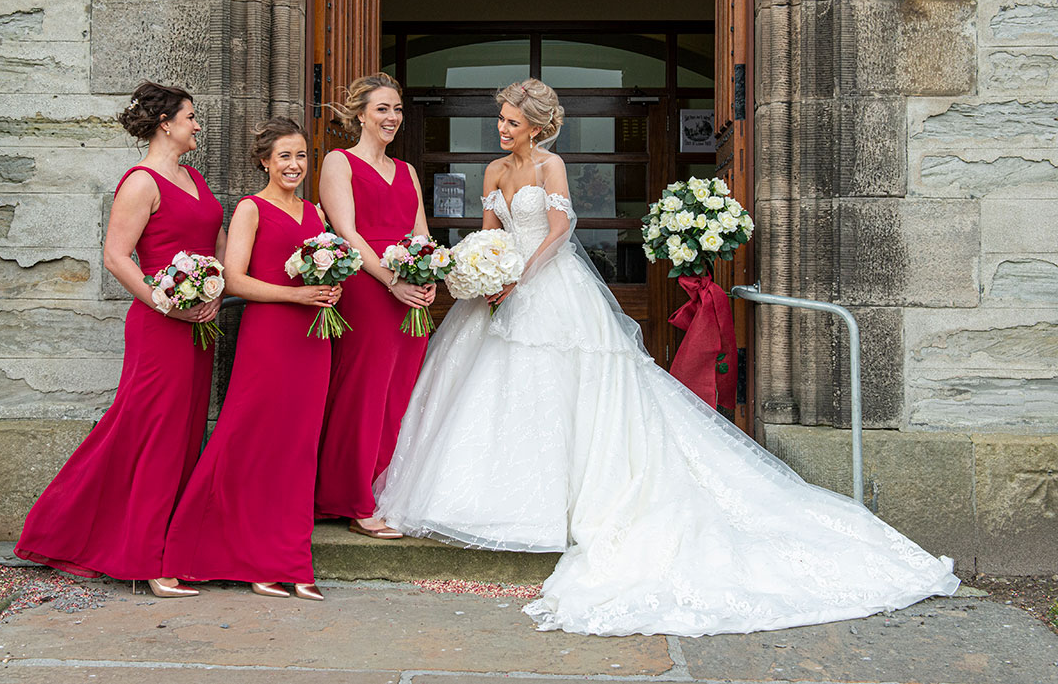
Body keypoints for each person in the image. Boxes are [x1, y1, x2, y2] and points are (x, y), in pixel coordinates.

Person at [375, 79, 960, 637]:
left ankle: (562, 504)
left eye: (509, 121)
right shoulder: (494, 170)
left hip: (549, 288)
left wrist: (520, 278)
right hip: (502, 292)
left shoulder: (549, 166)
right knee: (494, 393)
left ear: (534, 126)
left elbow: (558, 230)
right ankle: (494, 502)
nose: (500, 129)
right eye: (500, 120)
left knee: (565, 388)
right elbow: (488, 235)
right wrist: (488, 272)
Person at [15, 82, 225, 598]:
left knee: (180, 434)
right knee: (153, 433)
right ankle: (148, 558)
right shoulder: (141, 182)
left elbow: (213, 246)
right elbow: (115, 256)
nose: (197, 125)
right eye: (191, 117)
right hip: (161, 327)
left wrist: (216, 290)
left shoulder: (193, 177)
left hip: (201, 326)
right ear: (166, 123)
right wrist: (165, 302)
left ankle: (162, 544)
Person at [163, 118, 337, 601]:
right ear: (264, 160)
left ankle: (292, 561)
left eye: (301, 156)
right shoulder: (249, 208)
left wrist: (330, 286)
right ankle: (241, 559)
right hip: (270, 339)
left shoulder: (316, 213)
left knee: (298, 450)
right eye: (284, 156)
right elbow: (234, 279)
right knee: (250, 442)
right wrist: (295, 296)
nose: (295, 165)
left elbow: (321, 265)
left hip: (313, 340)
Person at [315, 72, 435, 539]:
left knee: (397, 396)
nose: (392, 117)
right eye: (382, 108)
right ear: (360, 113)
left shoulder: (406, 171)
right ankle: (353, 500)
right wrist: (391, 282)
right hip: (368, 289)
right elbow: (347, 232)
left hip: (410, 292)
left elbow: (421, 232)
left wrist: (427, 277)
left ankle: (379, 489)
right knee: (364, 393)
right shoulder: (338, 163)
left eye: (397, 109)